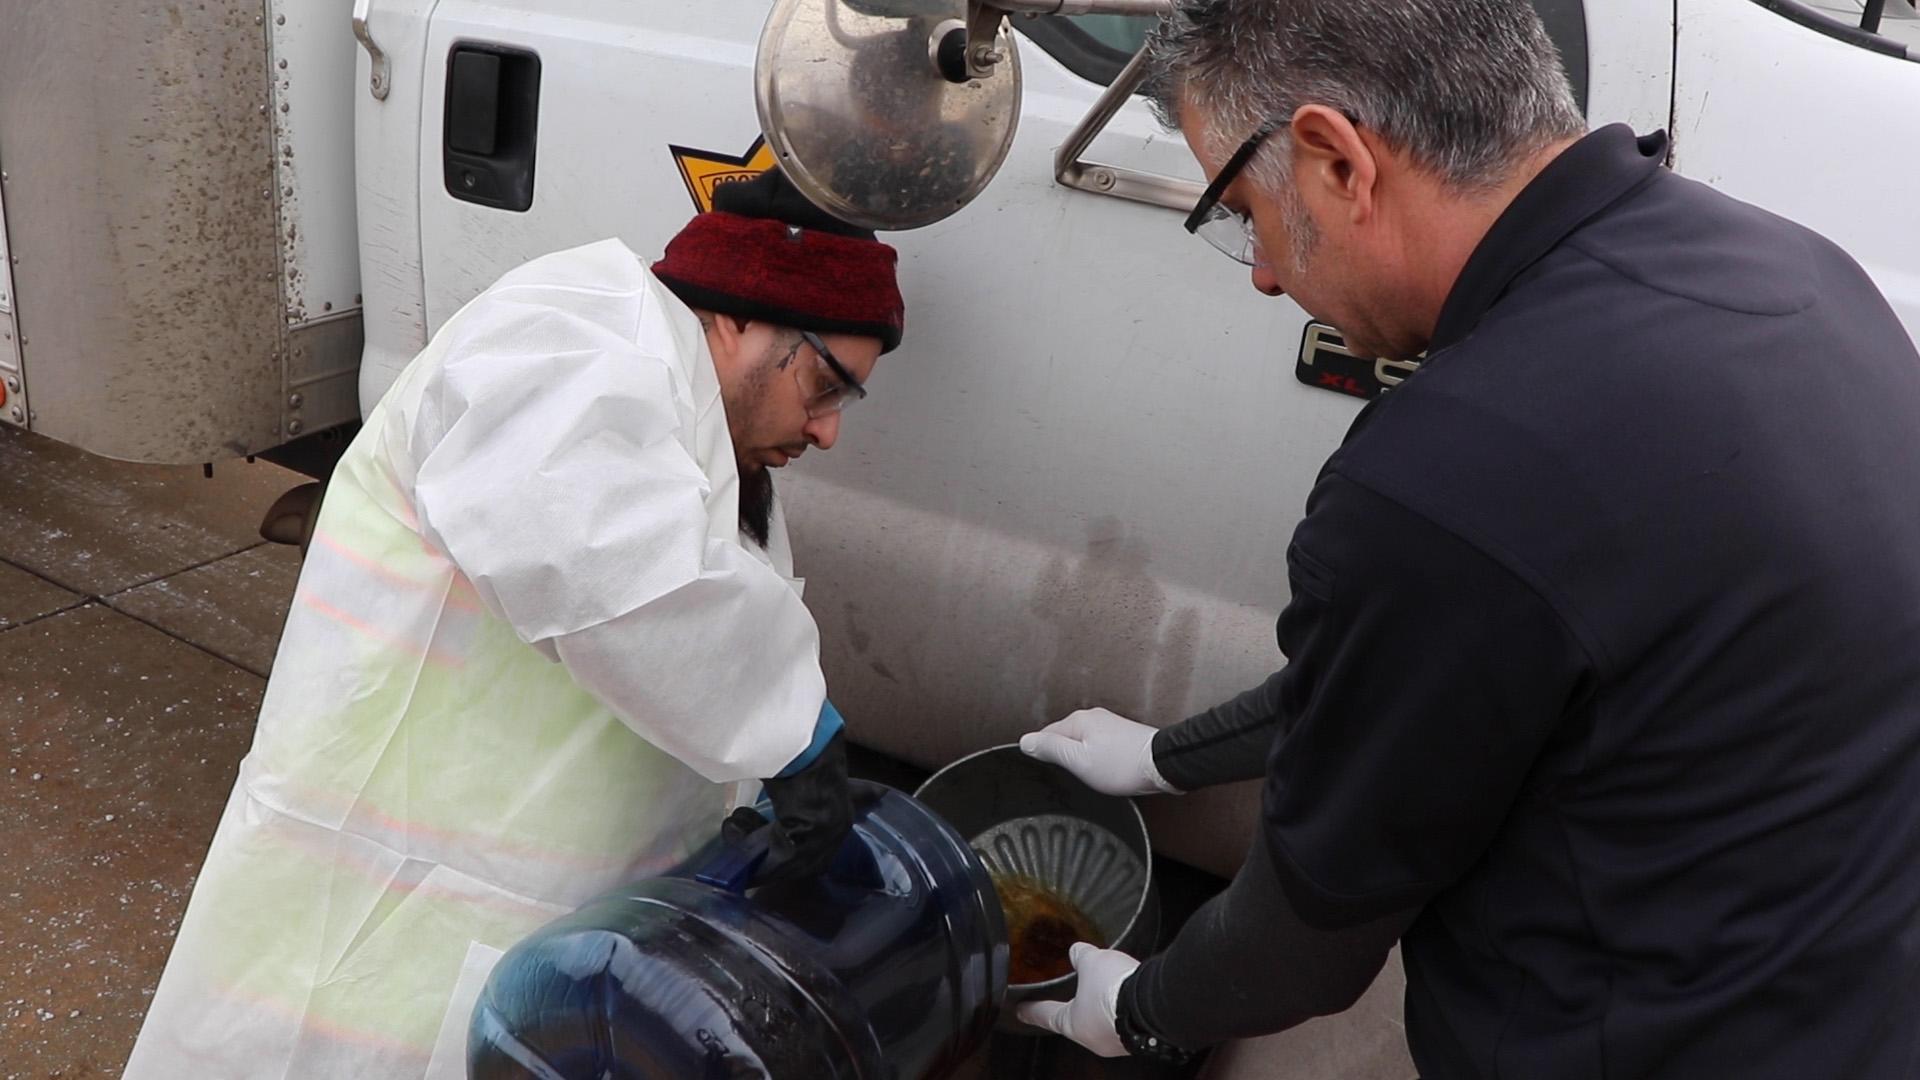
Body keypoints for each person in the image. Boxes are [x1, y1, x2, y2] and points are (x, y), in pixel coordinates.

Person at [1017, 2, 1920, 1076]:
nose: (1259, 270)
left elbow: (1303, 944)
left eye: (1243, 211)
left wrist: (1141, 1010)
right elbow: (1447, 681)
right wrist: (1167, 761)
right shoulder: (1792, 269)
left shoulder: (1447, 477)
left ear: (1335, 162)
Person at [123, 168, 905, 1079]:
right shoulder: (572, 338)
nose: (827, 431)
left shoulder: (701, 416)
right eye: (824, 385)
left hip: (522, 906)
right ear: (739, 317)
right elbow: (609, 563)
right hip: (390, 889)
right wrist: (790, 728)